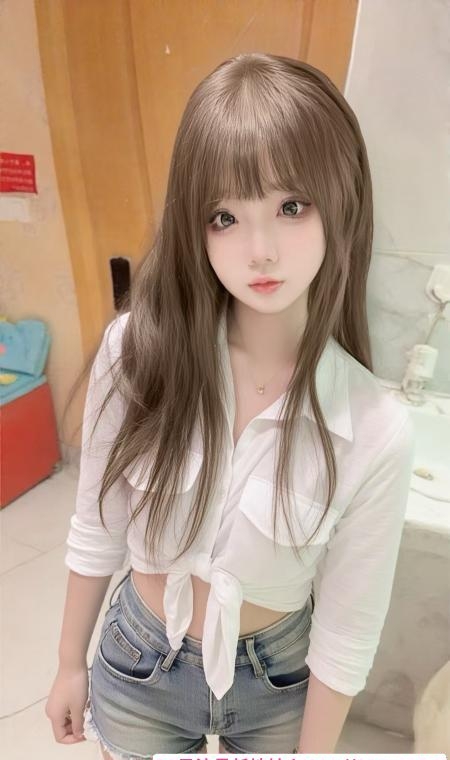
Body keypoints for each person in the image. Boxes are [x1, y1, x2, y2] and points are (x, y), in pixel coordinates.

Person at [45, 52, 416, 757]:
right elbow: (98, 522)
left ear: (341, 202)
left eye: (291, 207)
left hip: (278, 681)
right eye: (225, 216)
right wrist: (69, 662)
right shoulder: (138, 350)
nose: (260, 250)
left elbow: (346, 632)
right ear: (195, 224)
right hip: (139, 659)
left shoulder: (374, 427)